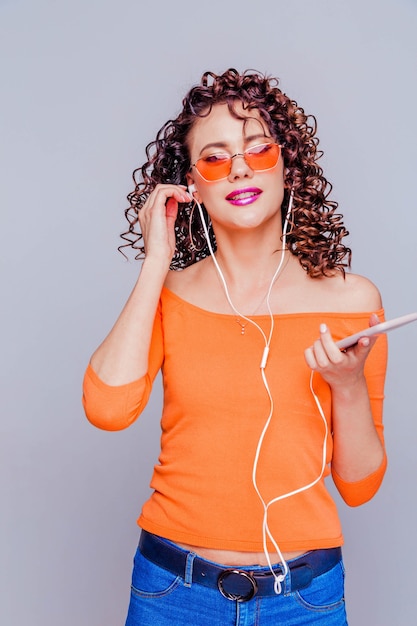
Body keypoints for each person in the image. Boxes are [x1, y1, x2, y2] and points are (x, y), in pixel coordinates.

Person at [82, 68, 387, 625]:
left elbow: (361, 484)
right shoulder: (169, 293)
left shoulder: (353, 300)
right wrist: (156, 261)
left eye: (258, 150)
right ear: (192, 185)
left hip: (304, 601)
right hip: (172, 592)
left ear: (288, 167)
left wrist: (346, 386)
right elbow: (106, 410)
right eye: (216, 158)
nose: (240, 168)